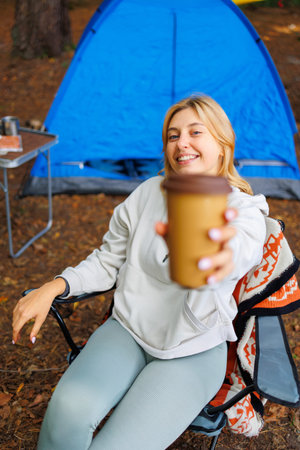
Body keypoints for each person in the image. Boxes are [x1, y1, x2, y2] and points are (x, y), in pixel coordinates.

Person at [12, 95, 268, 450]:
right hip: (128, 331)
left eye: (196, 132)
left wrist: (211, 252)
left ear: (223, 146)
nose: (182, 143)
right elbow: (107, 260)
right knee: (65, 414)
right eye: (173, 135)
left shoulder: (244, 212)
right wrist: (55, 286)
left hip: (191, 352)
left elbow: (235, 251)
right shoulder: (148, 193)